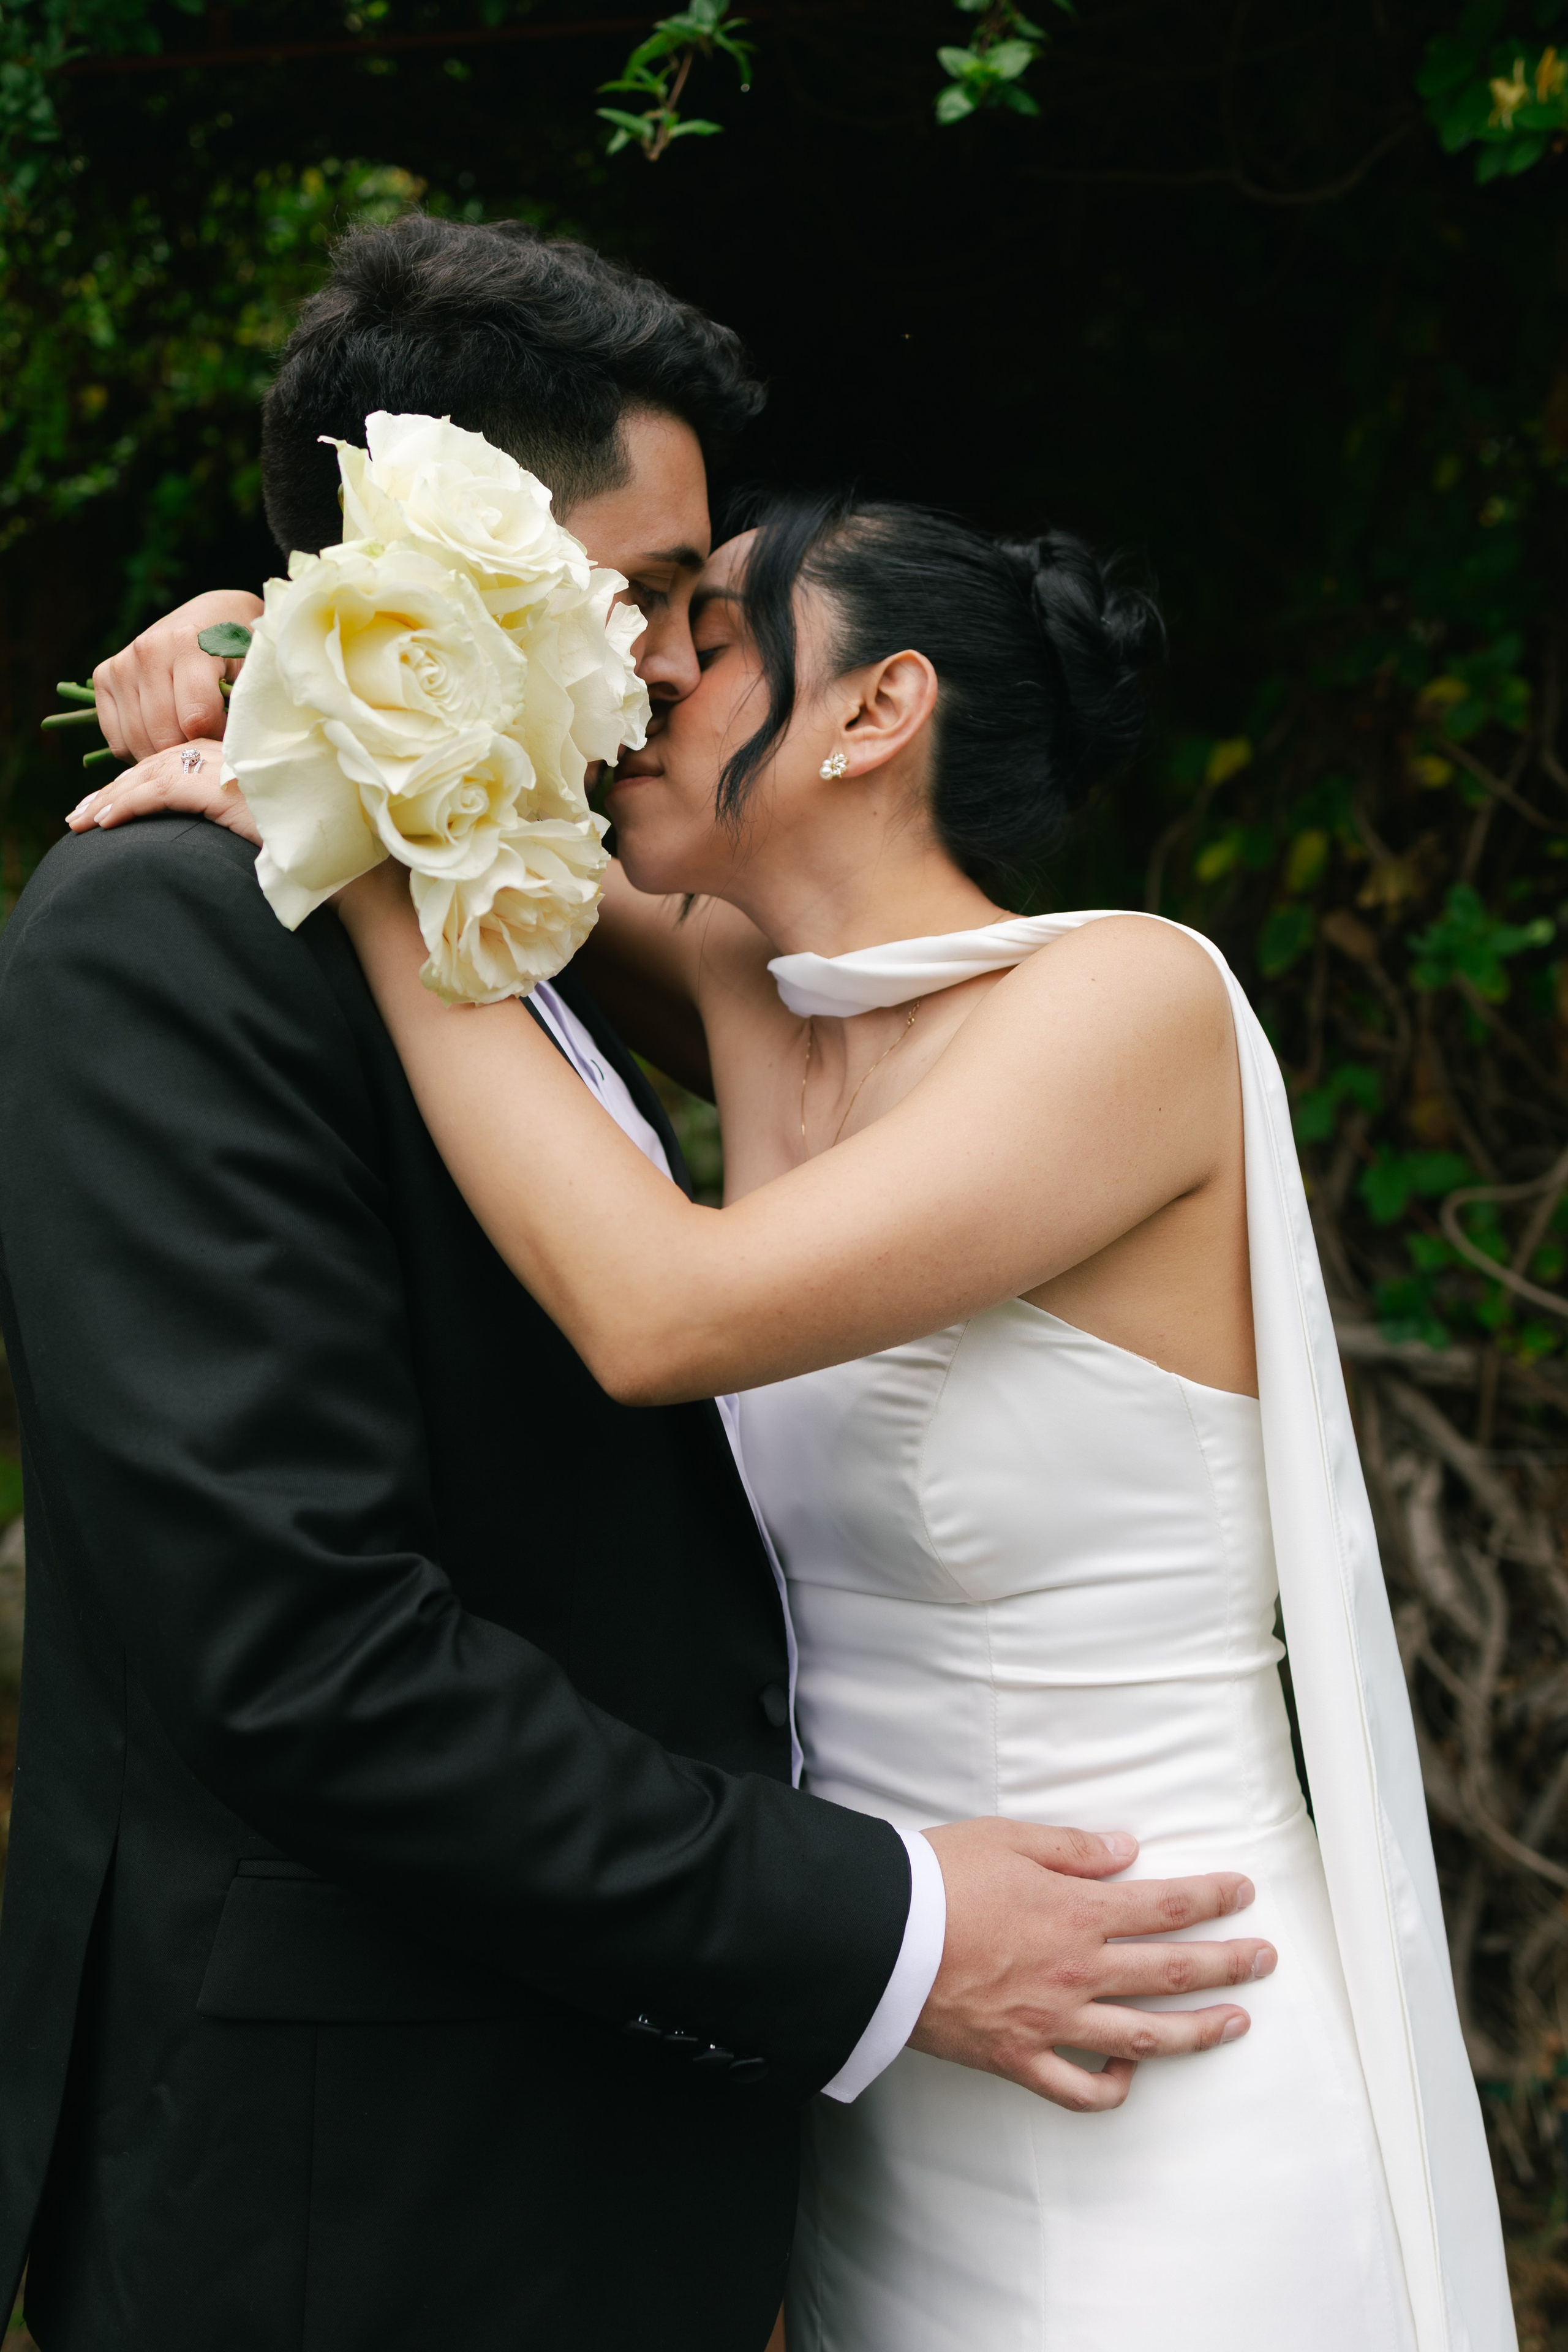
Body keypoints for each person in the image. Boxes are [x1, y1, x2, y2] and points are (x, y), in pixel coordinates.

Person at [0, 223, 1270, 2352]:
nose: (684, 654)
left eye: (721, 611)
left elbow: (646, 1324)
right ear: (461, 545)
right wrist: (294, 679)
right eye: (668, 583)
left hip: (701, 2102)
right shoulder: (172, 930)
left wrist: (315, 714)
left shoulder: (599, 935)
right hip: (350, 2192)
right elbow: (301, 1653)